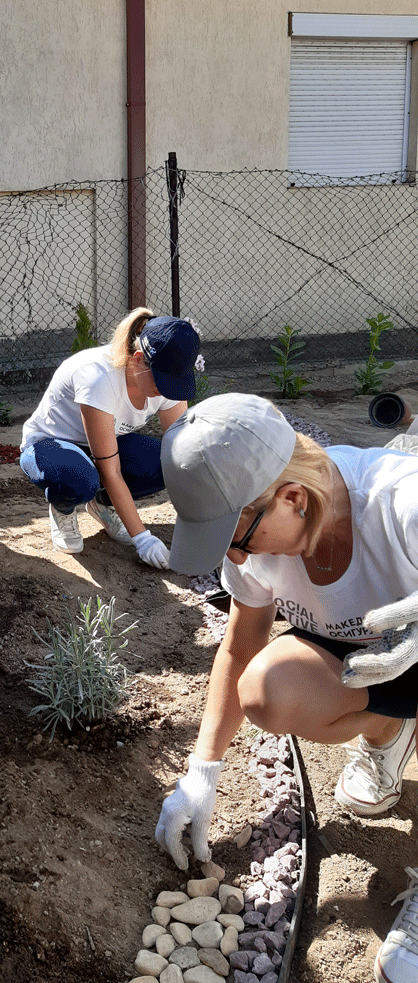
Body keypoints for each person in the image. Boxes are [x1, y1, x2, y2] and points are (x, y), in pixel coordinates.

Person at [155, 392, 418, 983]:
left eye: (238, 537)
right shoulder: (254, 538)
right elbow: (240, 646)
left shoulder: (402, 503)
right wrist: (202, 772)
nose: (234, 554)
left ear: (293, 498)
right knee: (269, 690)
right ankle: (390, 728)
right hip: (364, 656)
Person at [19, 309, 201, 566]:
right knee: (78, 479)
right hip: (52, 446)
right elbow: (110, 470)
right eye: (162, 381)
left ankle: (102, 504)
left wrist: (204, 520)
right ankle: (63, 507)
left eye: (175, 382)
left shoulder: (163, 379)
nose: (167, 391)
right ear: (138, 360)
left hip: (105, 443)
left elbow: (182, 453)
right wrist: (143, 539)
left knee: (166, 463)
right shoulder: (98, 378)